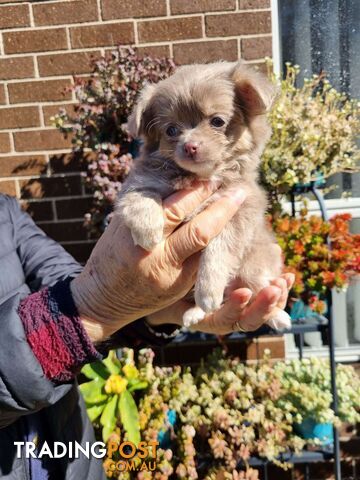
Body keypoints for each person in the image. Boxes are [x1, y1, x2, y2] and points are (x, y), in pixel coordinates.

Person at [0, 183, 293, 480]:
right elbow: (85, 299)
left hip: (71, 459)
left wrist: (161, 309)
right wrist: (91, 308)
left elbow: (62, 279)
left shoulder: (4, 210)